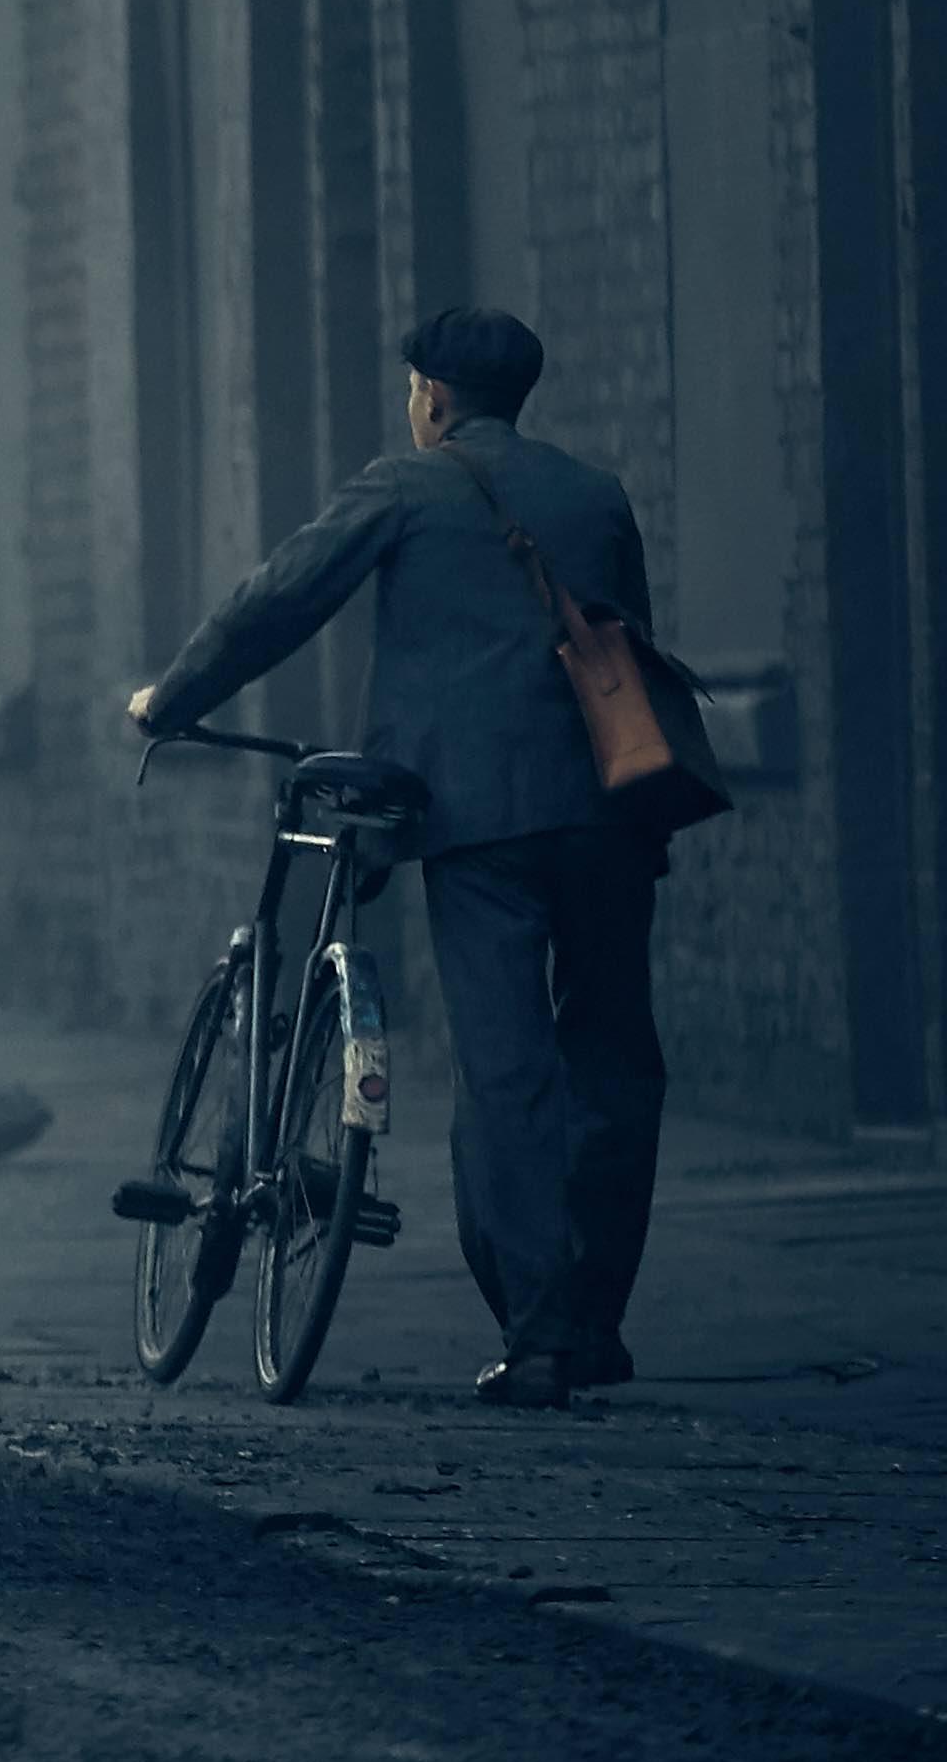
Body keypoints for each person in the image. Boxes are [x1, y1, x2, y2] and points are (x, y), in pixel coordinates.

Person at [128, 305, 660, 1407]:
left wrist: (167, 701)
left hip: (479, 824)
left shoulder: (403, 487)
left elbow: (273, 603)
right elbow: (630, 658)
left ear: (429, 396)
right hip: (606, 816)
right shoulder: (595, 496)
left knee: (506, 1066)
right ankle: (595, 1315)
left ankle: (543, 1332)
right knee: (611, 1059)